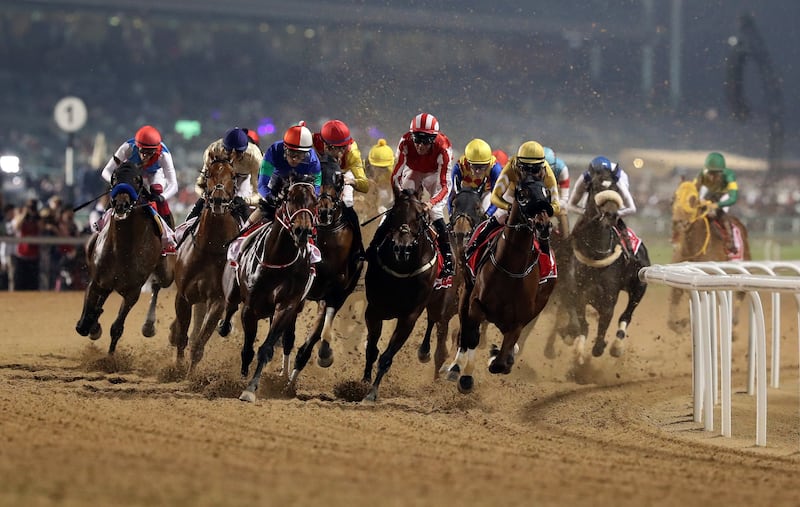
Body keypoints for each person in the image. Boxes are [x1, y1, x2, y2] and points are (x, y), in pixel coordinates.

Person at [366, 112, 455, 286]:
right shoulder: (405, 142)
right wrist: (399, 197)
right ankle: (373, 246)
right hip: (414, 170)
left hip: (435, 175)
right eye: (417, 139)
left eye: (426, 140)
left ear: (434, 139)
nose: (420, 145)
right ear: (411, 136)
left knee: (436, 212)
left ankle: (448, 258)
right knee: (400, 208)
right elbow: (396, 175)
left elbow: (444, 185)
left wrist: (431, 203)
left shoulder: (444, 149)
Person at [466, 141, 560, 258]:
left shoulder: (548, 173)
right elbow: (495, 197)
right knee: (498, 218)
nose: (530, 174)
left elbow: (557, 205)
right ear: (518, 165)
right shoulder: (511, 167)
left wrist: (545, 211)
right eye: (526, 169)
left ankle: (549, 262)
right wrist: (509, 207)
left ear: (542, 167)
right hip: (513, 197)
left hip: (537, 201)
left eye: (534, 169)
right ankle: (473, 248)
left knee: (545, 227)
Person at [244, 121, 322, 228]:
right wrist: (272, 197)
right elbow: (262, 184)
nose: (295, 159)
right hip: (277, 183)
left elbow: (317, 188)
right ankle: (242, 233)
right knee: (262, 209)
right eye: (292, 154)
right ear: (284, 149)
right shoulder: (274, 150)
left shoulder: (313, 160)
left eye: (301, 156)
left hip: (300, 188)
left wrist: (310, 199)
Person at [101, 125, 179, 229]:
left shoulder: (164, 155)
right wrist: (117, 183)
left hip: (154, 174)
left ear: (156, 150)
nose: (145, 156)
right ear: (137, 146)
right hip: (132, 174)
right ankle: (102, 222)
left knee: (156, 189)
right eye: (142, 151)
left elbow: (174, 185)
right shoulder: (127, 147)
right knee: (121, 191)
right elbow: (106, 171)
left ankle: (167, 229)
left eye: (150, 152)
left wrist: (162, 197)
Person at [312, 119, 368, 260]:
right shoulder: (312, 141)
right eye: (333, 148)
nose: (339, 153)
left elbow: (365, 185)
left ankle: (358, 248)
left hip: (344, 172)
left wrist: (351, 181)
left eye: (343, 147)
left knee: (347, 202)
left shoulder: (352, 153)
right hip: (322, 169)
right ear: (324, 144)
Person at [185, 127, 261, 223]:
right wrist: (204, 195)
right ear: (223, 147)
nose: (233, 156)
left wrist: (245, 201)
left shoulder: (255, 156)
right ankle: (185, 229)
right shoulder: (213, 150)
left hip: (244, 179)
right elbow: (199, 184)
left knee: (245, 209)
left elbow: (259, 194)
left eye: (238, 152)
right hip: (221, 177)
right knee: (198, 209)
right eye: (229, 151)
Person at [567, 156, 637, 255]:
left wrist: (616, 214)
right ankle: (568, 252)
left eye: (604, 175)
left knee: (615, 219)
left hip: (613, 201)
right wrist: (585, 212)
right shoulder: (584, 179)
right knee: (576, 230)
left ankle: (630, 252)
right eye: (598, 175)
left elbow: (632, 208)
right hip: (591, 205)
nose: (601, 178)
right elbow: (570, 205)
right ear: (591, 174)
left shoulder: (618, 179)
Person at [694, 151, 739, 254]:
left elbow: (733, 198)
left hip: (724, 195)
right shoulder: (701, 174)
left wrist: (718, 205)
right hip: (710, 194)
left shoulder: (729, 176)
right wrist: (699, 200)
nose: (713, 177)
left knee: (720, 214)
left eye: (716, 174)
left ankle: (731, 243)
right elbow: (693, 190)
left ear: (721, 172)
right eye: (710, 173)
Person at [448, 138, 502, 217]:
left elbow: (496, 197)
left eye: (482, 167)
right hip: (466, 192)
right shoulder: (459, 166)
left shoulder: (495, 168)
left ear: (488, 163)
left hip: (486, 193)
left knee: (486, 211)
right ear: (467, 162)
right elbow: (451, 193)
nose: (478, 171)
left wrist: (487, 215)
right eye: (475, 166)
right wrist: (451, 213)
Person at [543, 146, 571, 234]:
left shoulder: (562, 169)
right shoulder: (531, 169)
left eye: (550, 169)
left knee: (565, 231)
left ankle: (566, 241)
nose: (548, 173)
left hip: (556, 201)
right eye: (544, 169)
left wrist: (552, 208)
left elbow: (564, 198)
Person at [365, 138, 395, 214]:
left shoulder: (394, 177)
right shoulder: (362, 174)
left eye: (384, 168)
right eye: (378, 167)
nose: (381, 171)